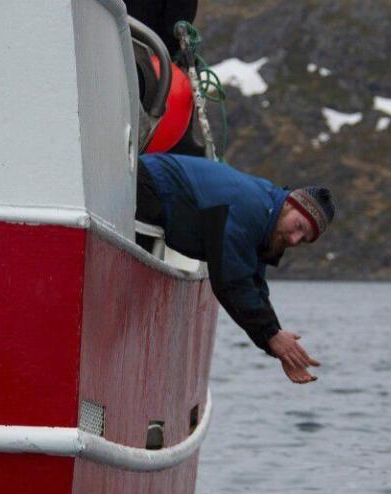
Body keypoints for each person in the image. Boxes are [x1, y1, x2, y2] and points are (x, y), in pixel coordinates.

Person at [137, 153, 336, 384]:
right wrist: (272, 336)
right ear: (290, 203)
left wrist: (277, 341)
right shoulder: (250, 208)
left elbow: (253, 285)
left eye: (303, 239)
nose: (294, 239)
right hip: (147, 183)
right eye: (298, 226)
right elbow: (231, 282)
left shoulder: (267, 216)